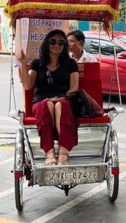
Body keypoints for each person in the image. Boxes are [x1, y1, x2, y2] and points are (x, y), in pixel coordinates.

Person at [17, 29, 79, 166]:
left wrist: (60, 99)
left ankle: (63, 151)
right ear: (47, 43)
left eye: (61, 42)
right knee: (47, 105)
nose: (57, 45)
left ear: (64, 46)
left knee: (59, 106)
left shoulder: (70, 63)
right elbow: (28, 85)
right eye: (53, 41)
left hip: (64, 100)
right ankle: (49, 152)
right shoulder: (36, 63)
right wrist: (23, 63)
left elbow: (74, 87)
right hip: (41, 102)